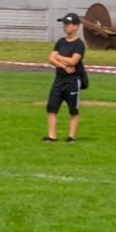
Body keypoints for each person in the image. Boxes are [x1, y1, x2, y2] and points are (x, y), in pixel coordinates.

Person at [44, 13, 84, 143]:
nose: (65, 27)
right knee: (51, 107)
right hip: (59, 80)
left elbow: (73, 61)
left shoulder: (79, 44)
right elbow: (51, 58)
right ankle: (52, 136)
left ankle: (71, 136)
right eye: (64, 24)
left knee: (73, 110)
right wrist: (63, 66)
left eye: (67, 24)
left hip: (72, 81)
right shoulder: (60, 42)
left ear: (76, 26)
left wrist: (59, 57)